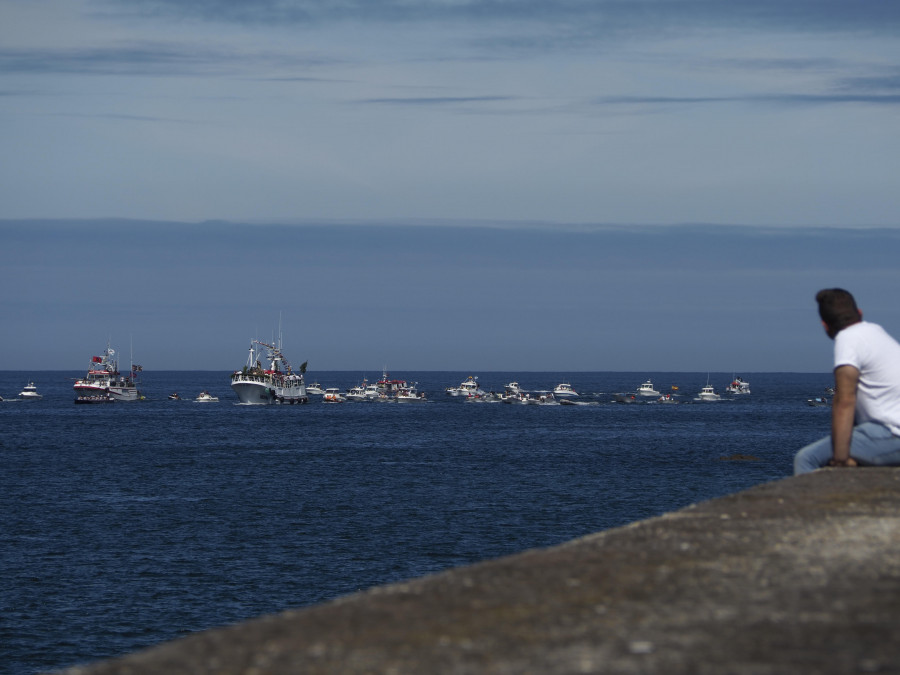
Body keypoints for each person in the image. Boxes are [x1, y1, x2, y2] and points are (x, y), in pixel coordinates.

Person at [794, 289, 900, 474]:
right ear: (859, 313)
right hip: (886, 431)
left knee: (806, 459)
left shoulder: (848, 339)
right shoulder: (876, 332)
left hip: (892, 433)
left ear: (825, 325)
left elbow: (844, 400)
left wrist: (841, 459)